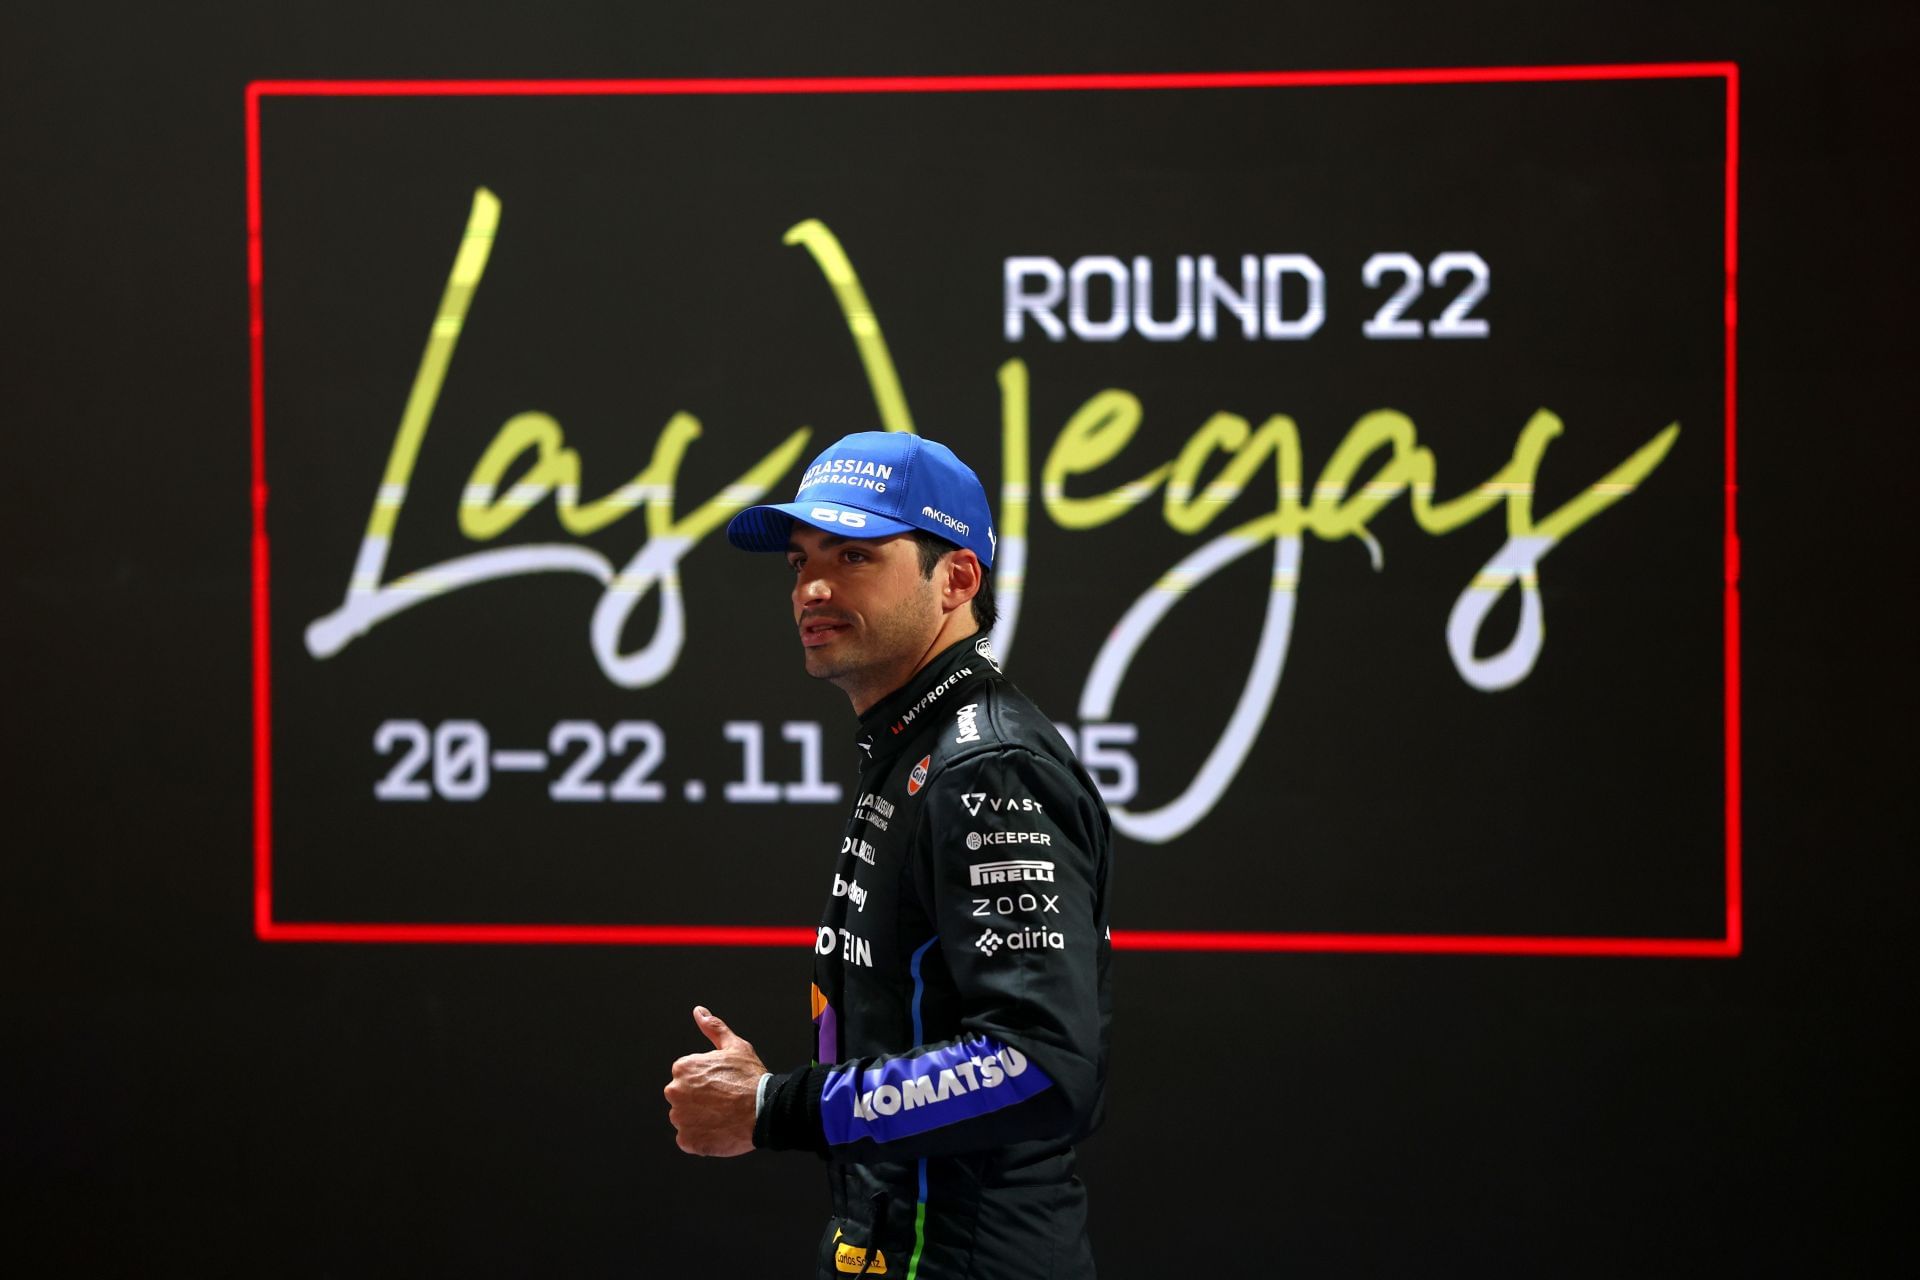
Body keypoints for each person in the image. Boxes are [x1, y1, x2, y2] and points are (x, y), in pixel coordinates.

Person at [663, 430, 1114, 1279]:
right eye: (799, 561)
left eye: (856, 555)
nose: (813, 587)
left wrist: (772, 1106)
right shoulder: (918, 746)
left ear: (957, 579)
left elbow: (1044, 1067)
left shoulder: (988, 768)